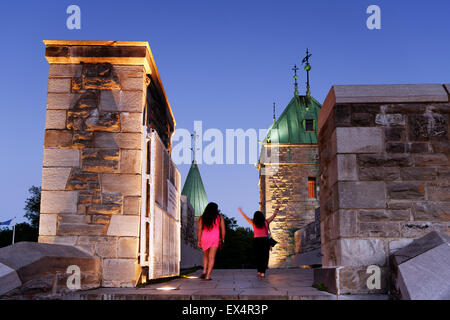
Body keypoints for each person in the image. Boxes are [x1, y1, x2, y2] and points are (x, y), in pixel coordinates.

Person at [238, 205, 280, 278]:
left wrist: (241, 211)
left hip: (257, 241)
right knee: (265, 257)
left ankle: (259, 271)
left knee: (258, 257)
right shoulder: (266, 222)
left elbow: (246, 218)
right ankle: (263, 272)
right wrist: (277, 208)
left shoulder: (253, 222)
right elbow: (274, 215)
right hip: (265, 240)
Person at [197, 202, 226, 280]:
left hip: (205, 238)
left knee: (206, 256)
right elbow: (223, 230)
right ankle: (208, 275)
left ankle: (204, 271)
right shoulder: (219, 217)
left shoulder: (202, 217)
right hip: (215, 238)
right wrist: (222, 239)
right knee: (212, 257)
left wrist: (199, 240)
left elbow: (199, 230)